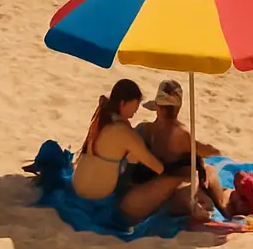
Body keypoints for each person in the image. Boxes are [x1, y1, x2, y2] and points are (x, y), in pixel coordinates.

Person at [71, 79, 193, 223]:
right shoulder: (124, 131)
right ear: (123, 104)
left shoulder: (104, 117)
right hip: (96, 198)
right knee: (171, 181)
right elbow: (158, 167)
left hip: (77, 187)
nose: (136, 110)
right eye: (135, 105)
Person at [133, 79, 231, 216]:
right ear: (178, 108)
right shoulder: (180, 133)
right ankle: (224, 208)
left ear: (157, 107)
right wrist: (214, 150)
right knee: (209, 170)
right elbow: (209, 152)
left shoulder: (144, 129)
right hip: (178, 181)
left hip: (151, 181)